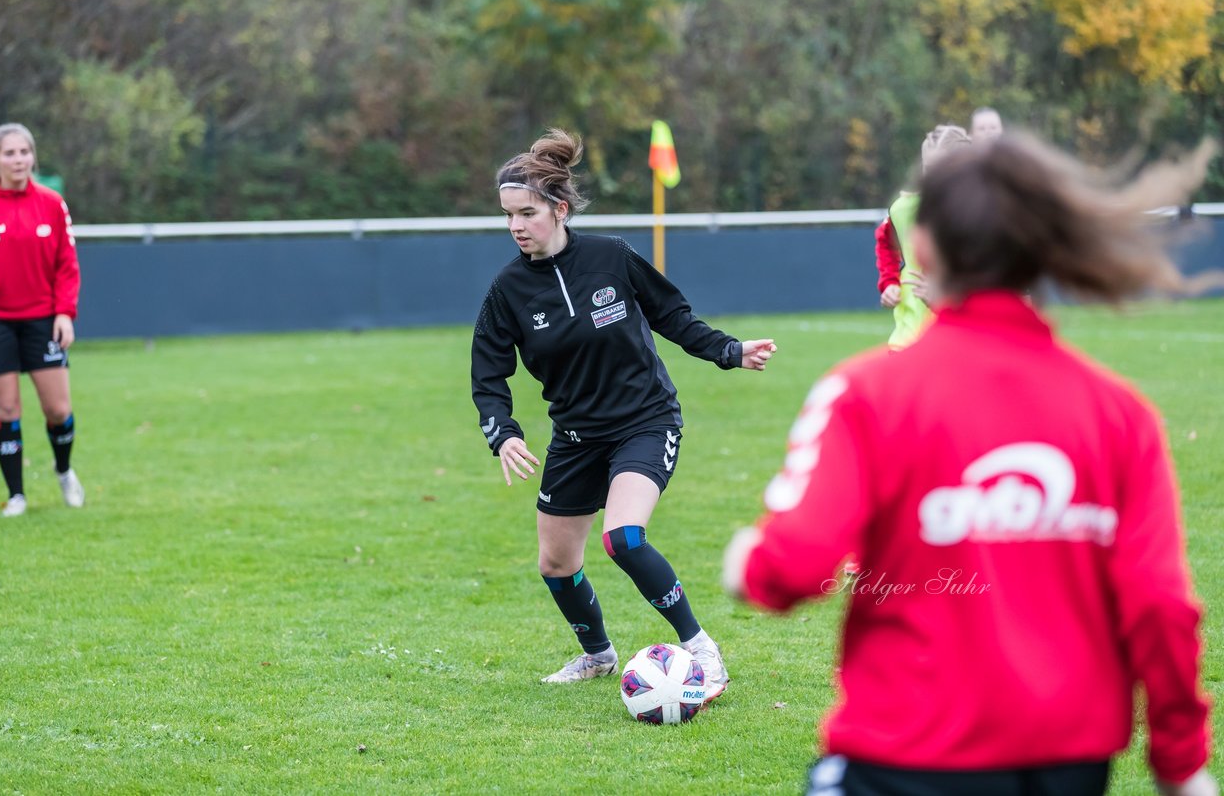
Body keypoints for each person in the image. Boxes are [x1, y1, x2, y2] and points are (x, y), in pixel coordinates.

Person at [725, 132, 1215, 795]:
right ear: (1046, 249)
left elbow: (793, 564)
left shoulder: (866, 395)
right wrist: (1181, 762)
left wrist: (745, 561)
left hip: (906, 757)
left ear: (921, 247)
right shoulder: (1120, 415)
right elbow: (1161, 604)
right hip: (1069, 764)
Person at [472, 128, 776, 697]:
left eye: (527, 213)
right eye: (507, 215)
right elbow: (488, 375)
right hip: (576, 435)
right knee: (556, 564)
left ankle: (701, 650)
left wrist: (730, 352)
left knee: (625, 537)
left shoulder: (612, 257)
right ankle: (597, 655)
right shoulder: (507, 290)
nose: (515, 226)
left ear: (559, 209)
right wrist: (503, 434)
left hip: (645, 421)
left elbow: (674, 317)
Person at [0, 123, 85, 517]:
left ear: (33, 156)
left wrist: (65, 312)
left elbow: (66, 265)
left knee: (58, 410)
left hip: (43, 319)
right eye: (9, 153)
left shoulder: (52, 203)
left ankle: (64, 472)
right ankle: (17, 495)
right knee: (7, 409)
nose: (18, 160)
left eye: (24, 152)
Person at [873, 125, 971, 348]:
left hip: (961, 346)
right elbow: (885, 243)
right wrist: (889, 283)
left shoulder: (981, 215)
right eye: (928, 168)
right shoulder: (903, 210)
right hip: (908, 343)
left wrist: (944, 298)